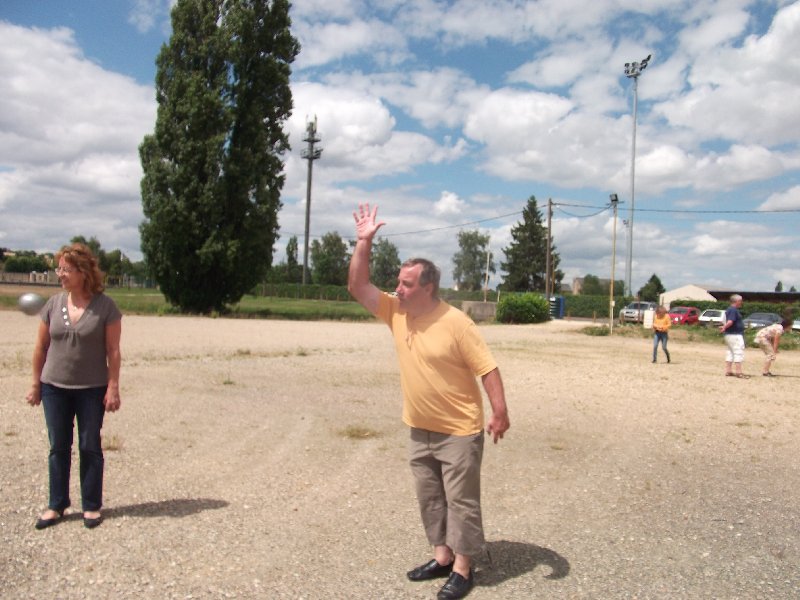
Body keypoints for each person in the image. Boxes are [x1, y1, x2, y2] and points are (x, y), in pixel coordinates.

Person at [348, 203, 509, 600]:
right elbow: (358, 286)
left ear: (428, 288)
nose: (398, 289)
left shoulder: (457, 323)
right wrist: (363, 243)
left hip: (459, 431)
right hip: (419, 427)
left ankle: (463, 569)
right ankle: (442, 557)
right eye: (398, 282)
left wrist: (500, 411)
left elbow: (487, 368)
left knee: (462, 502)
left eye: (406, 284)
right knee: (430, 497)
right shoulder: (396, 312)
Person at [26, 242, 122, 530]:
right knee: (58, 446)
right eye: (59, 269)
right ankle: (56, 504)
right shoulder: (53, 304)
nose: (61, 274)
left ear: (83, 271)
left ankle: (91, 506)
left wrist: (113, 387)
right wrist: (35, 384)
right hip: (54, 388)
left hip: (92, 389)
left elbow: (113, 351)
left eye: (66, 269)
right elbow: (41, 347)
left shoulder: (106, 307)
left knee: (89, 445)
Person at [720, 294, 748, 378]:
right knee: (738, 351)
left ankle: (728, 371)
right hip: (735, 334)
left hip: (730, 334)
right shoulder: (733, 310)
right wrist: (724, 327)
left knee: (730, 352)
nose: (741, 302)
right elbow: (730, 321)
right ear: (737, 301)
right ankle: (739, 372)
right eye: (740, 301)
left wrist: (724, 327)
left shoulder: (729, 309)